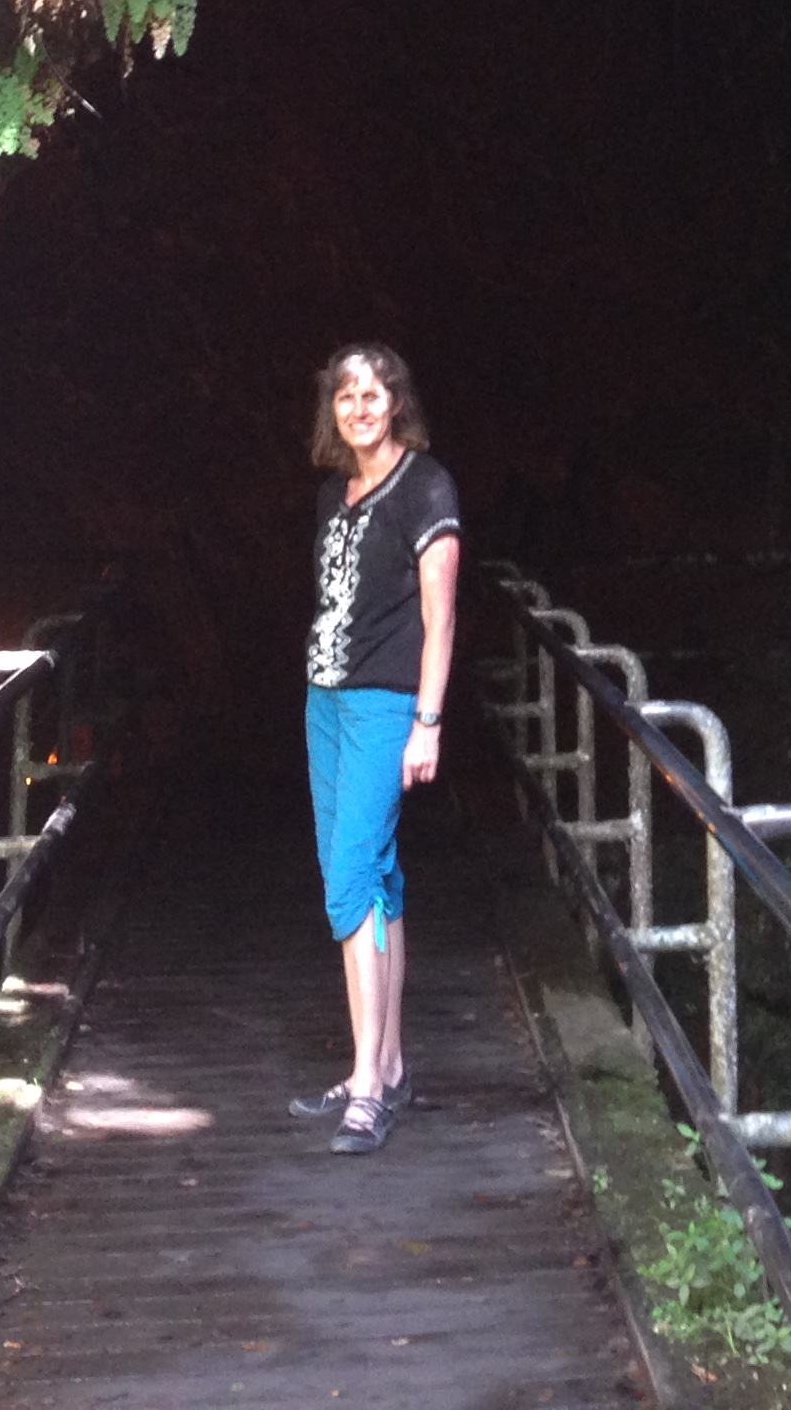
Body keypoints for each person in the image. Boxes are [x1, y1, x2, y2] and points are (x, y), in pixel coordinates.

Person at [290, 342, 460, 1156]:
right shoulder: (336, 493)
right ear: (333, 409)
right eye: (346, 395)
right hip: (325, 700)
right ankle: (386, 1065)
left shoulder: (426, 486)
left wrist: (427, 721)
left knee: (351, 875)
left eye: (374, 392)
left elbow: (441, 613)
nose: (360, 406)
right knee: (373, 878)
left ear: (397, 403)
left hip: (386, 706)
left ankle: (366, 1087)